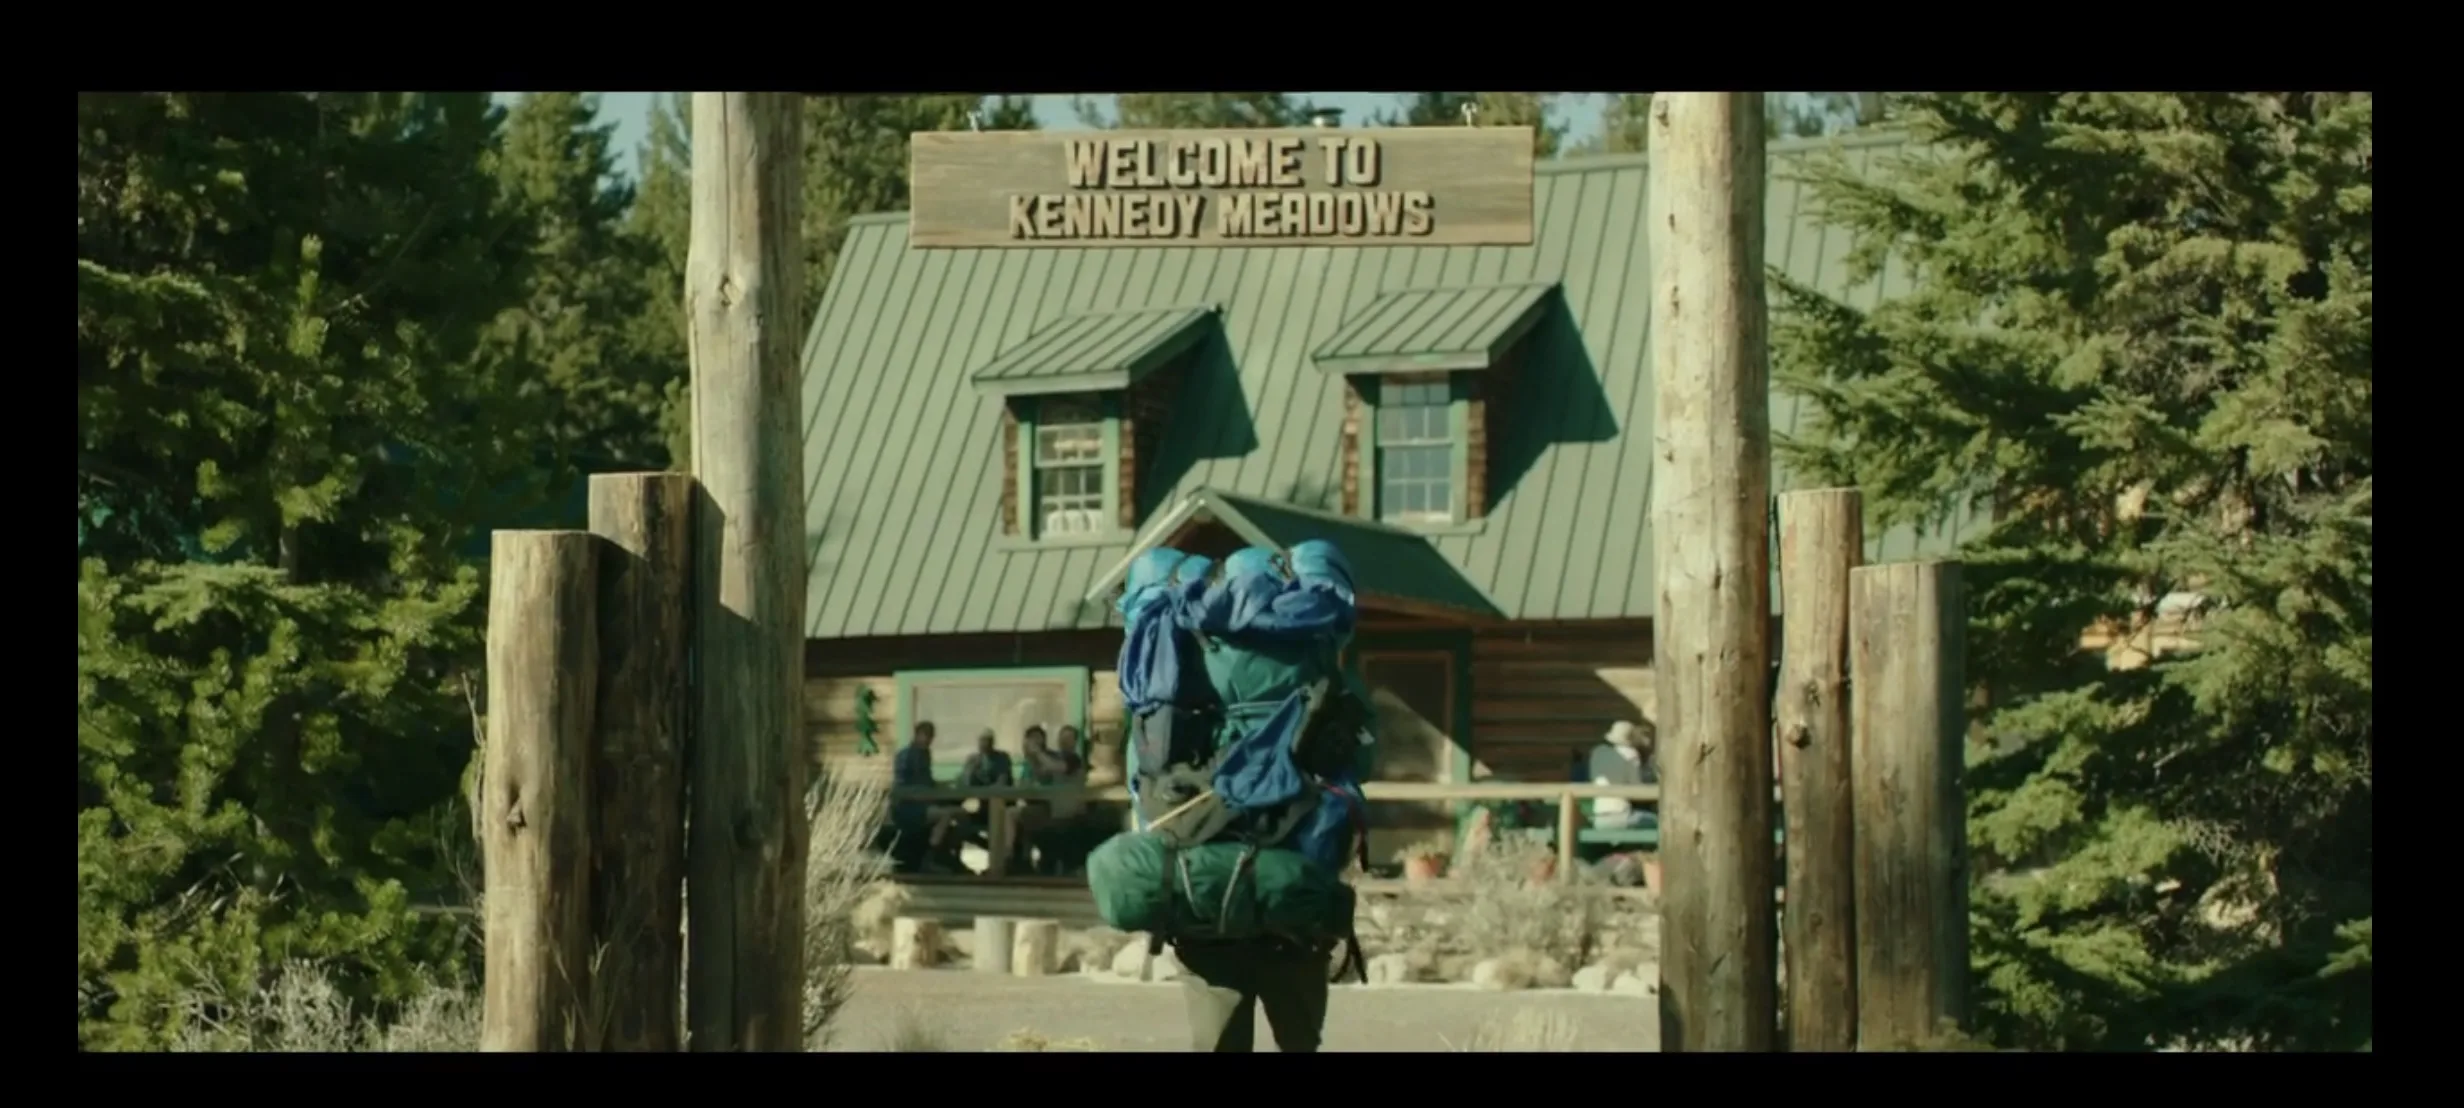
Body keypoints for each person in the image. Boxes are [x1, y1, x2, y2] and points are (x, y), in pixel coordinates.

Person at [1587, 720, 1659, 832]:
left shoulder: (1600, 754)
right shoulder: (1631, 754)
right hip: (1621, 816)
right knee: (1657, 821)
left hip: (1598, 818)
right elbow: (1637, 790)